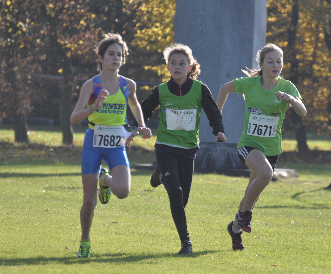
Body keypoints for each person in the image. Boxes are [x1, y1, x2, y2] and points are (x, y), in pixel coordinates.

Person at [133, 43, 227, 254]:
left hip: (188, 149)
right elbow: (144, 109)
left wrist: (218, 131)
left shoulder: (200, 89)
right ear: (167, 67)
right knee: (175, 193)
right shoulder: (162, 90)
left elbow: (213, 112)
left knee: (182, 200)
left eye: (182, 63)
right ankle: (186, 243)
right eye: (173, 63)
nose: (177, 67)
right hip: (165, 146)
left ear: (190, 66)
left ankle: (159, 176)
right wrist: (138, 125)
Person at [216, 43, 307, 251]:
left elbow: (303, 112)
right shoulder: (249, 84)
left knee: (251, 193)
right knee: (265, 175)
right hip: (249, 144)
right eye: (271, 61)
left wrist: (291, 99)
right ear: (261, 64)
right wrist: (217, 120)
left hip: (271, 148)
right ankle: (245, 216)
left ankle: (235, 229)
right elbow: (224, 89)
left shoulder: (287, 87)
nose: (276, 65)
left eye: (279, 61)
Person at [70, 33, 152, 258]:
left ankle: (104, 180)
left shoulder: (128, 85)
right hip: (93, 142)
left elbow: (135, 106)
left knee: (123, 191)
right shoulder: (91, 85)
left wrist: (142, 125)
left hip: (117, 143)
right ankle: (85, 241)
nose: (116, 58)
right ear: (100, 58)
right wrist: (93, 107)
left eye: (120, 55)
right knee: (89, 200)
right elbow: (74, 118)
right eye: (111, 54)